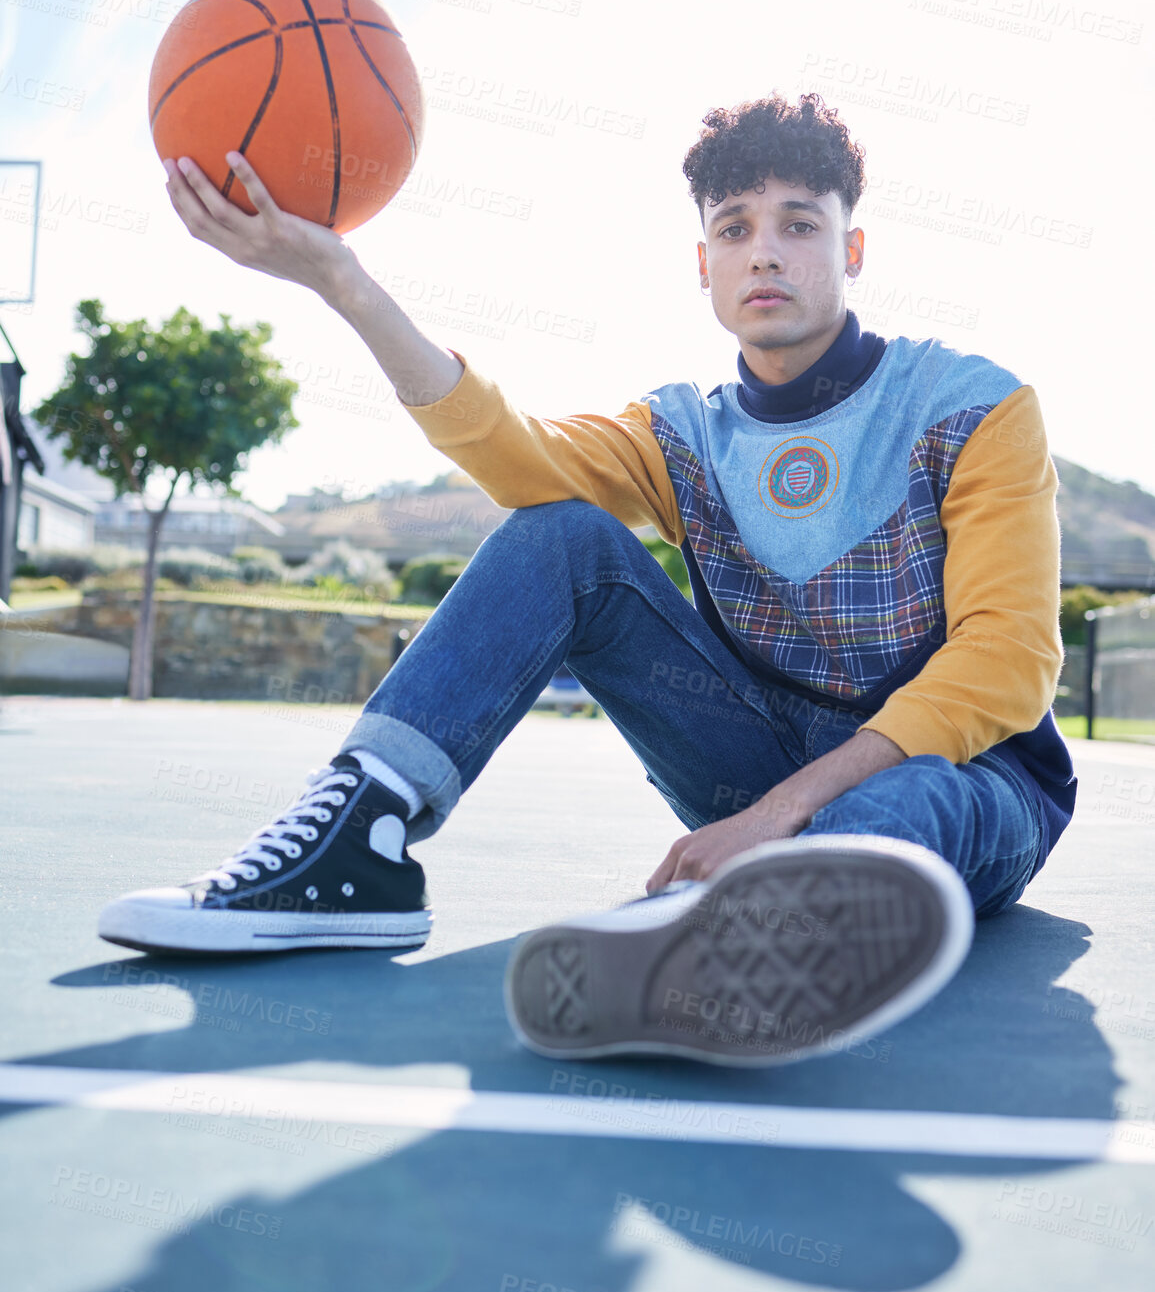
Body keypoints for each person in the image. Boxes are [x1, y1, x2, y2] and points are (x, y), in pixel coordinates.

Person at [99, 93, 1076, 1068]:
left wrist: (781, 815)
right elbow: (516, 456)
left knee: (908, 807)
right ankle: (360, 845)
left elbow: (1005, 664)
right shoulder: (683, 433)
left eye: (799, 224)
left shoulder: (972, 408)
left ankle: (744, 930)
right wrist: (340, 280)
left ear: (852, 250)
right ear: (704, 265)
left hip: (969, 781)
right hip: (754, 780)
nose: (764, 252)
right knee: (558, 532)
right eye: (735, 228)